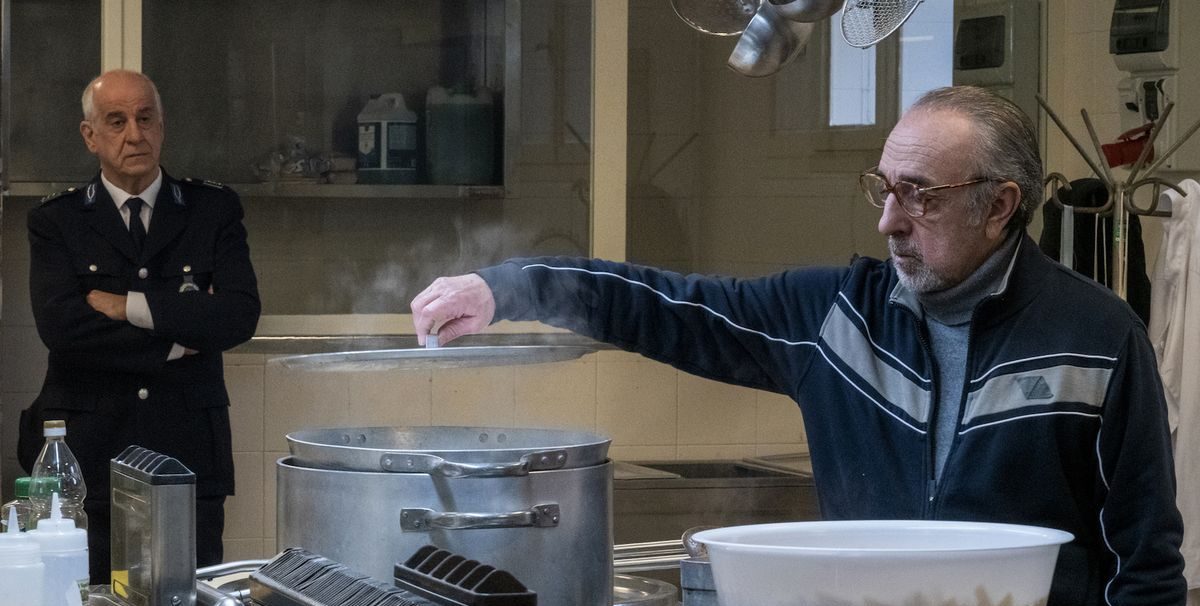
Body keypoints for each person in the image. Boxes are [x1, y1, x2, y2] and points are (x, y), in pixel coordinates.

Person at [411, 86, 1186, 604]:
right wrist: (507, 287)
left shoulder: (1098, 337)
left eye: (919, 195)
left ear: (1000, 205)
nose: (888, 221)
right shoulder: (837, 316)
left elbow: (1142, 561)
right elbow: (672, 306)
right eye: (884, 187)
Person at [17, 70, 261, 581]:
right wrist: (175, 342)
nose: (135, 134)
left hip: (186, 451)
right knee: (88, 592)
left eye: (146, 119)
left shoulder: (211, 209)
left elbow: (238, 315)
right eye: (117, 121)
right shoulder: (58, 221)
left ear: (162, 126)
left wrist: (128, 306)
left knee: (186, 591)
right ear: (90, 136)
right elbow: (63, 330)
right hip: (91, 455)